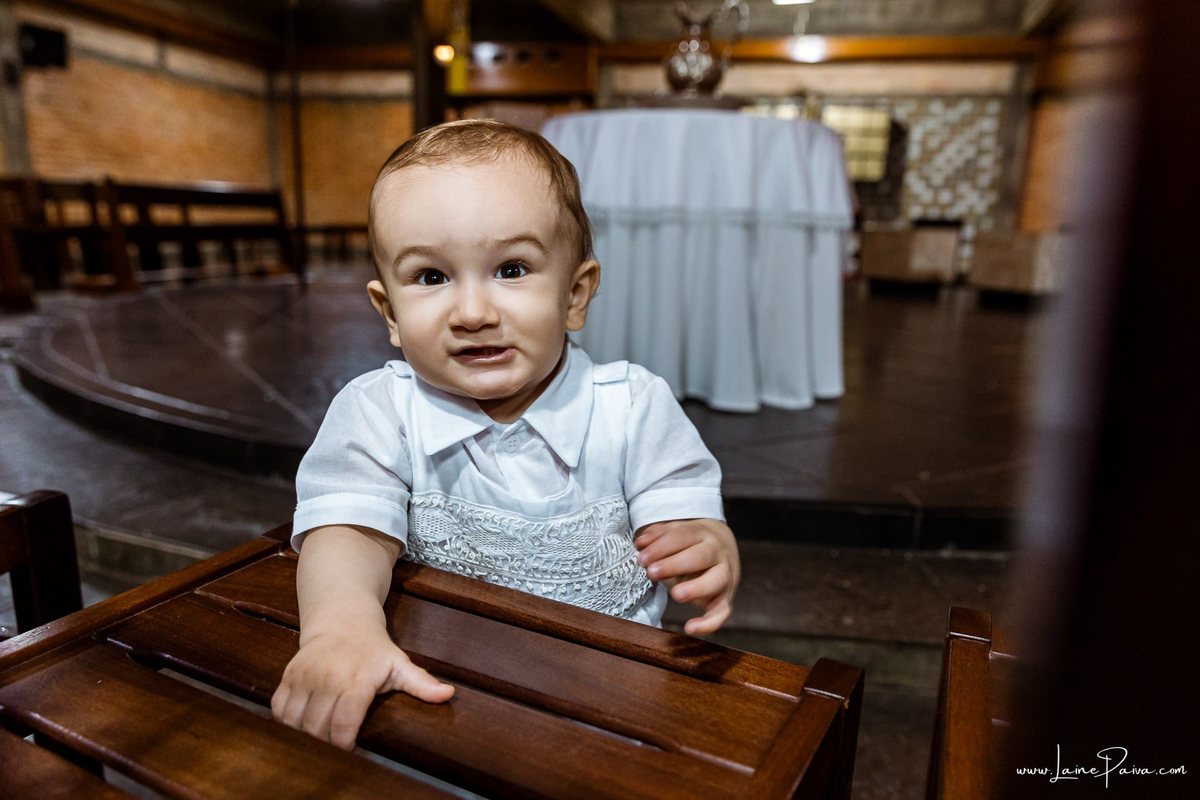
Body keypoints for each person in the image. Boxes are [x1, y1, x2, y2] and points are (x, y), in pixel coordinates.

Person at [270, 119, 740, 750]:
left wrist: (705, 545)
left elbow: (685, 515)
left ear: (575, 295)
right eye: (432, 277)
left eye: (511, 269)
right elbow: (346, 534)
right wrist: (341, 630)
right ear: (389, 314)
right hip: (442, 695)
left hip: (612, 705)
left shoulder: (633, 407)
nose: (472, 313)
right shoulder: (380, 411)